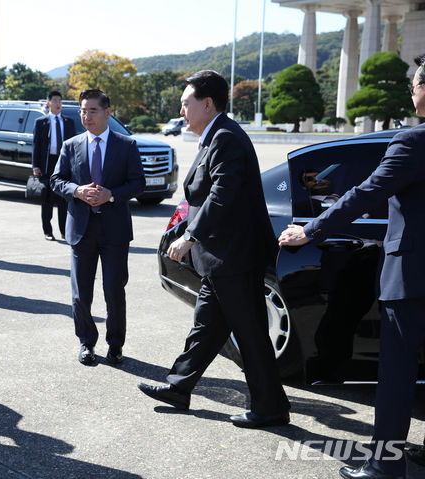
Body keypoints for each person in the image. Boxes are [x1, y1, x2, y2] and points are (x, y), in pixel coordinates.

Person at [279, 54, 425, 479]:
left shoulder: (412, 141)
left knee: (397, 373)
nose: (411, 90)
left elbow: (367, 192)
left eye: (415, 83)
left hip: (413, 274)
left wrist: (310, 231)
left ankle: (385, 466)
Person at [137, 70, 290, 429]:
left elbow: (224, 194)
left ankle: (270, 408)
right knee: (206, 327)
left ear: (207, 104)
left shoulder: (226, 138)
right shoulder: (213, 137)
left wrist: (190, 235)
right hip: (221, 259)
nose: (182, 111)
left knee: (250, 334)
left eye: (186, 104)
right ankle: (179, 387)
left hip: (234, 258)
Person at [50, 89, 145, 366]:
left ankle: (115, 344)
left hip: (114, 230)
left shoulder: (126, 145)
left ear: (107, 113)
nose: (86, 116)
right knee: (81, 292)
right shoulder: (71, 145)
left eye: (92, 110)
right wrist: (77, 191)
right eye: (82, 110)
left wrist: (111, 194)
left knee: (114, 289)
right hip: (81, 229)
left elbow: (138, 183)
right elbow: (56, 180)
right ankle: (86, 342)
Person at [32, 90, 76, 241]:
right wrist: (35, 165)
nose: (58, 104)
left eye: (60, 101)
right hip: (47, 163)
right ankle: (48, 231)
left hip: (64, 163)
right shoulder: (41, 122)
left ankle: (64, 231)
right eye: (55, 101)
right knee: (47, 199)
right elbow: (36, 146)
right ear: (48, 103)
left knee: (64, 199)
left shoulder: (68, 122)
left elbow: (74, 146)